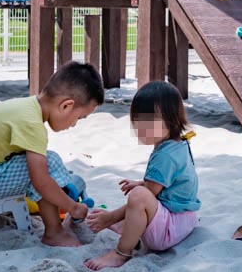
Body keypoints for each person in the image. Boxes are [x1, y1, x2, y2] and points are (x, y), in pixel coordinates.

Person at [0, 61, 104, 247]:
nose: (74, 124)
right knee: (47, 165)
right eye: (79, 118)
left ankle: (56, 218)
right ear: (66, 106)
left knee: (43, 163)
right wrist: (72, 207)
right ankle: (54, 232)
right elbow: (40, 180)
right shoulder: (32, 124)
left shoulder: (26, 107)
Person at [85, 81, 200, 270]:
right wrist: (142, 183)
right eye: (137, 120)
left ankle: (121, 252)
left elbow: (148, 194)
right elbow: (168, 182)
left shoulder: (165, 155)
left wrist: (111, 217)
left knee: (138, 196)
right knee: (141, 192)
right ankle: (129, 227)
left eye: (149, 122)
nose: (140, 128)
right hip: (183, 218)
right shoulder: (176, 143)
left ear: (171, 120)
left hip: (171, 229)